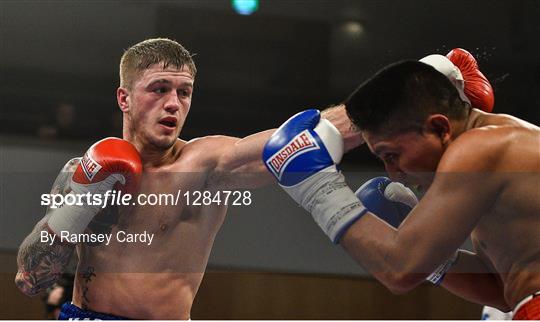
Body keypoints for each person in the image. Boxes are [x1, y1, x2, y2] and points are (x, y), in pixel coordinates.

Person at [14, 38, 361, 319]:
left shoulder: (206, 165)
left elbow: (297, 141)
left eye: (184, 92)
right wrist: (78, 204)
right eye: (159, 89)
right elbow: (31, 281)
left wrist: (388, 102)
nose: (173, 104)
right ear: (124, 98)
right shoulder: (82, 170)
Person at [263, 52, 540, 317]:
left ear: (440, 129)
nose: (394, 174)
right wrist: (436, 258)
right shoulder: (496, 153)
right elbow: (502, 291)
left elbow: (400, 269)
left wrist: (317, 187)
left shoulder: (479, 150)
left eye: (393, 155)